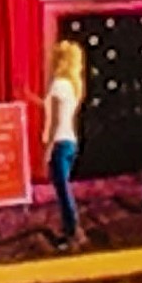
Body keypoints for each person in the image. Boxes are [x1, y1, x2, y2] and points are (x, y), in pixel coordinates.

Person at [45, 39, 87, 239]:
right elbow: (55, 110)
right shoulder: (72, 85)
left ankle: (73, 229)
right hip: (70, 141)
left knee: (62, 189)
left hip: (59, 143)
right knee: (63, 187)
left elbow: (53, 120)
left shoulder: (58, 84)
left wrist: (47, 148)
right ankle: (69, 226)